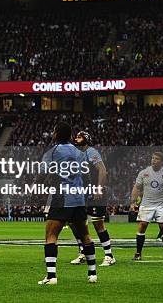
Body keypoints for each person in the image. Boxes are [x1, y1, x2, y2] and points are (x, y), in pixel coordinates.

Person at [38, 122, 97, 285]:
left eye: (54, 131)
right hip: (78, 199)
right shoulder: (79, 152)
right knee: (85, 235)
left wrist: (40, 186)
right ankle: (92, 273)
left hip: (61, 198)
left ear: (56, 134)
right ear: (70, 135)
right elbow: (87, 176)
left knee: (51, 236)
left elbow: (41, 175)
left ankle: (51, 276)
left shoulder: (52, 152)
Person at [69, 131, 115, 267]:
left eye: (79, 137)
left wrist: (98, 188)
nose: (76, 139)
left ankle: (109, 255)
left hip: (94, 192)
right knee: (74, 222)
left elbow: (102, 170)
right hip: (82, 193)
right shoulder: (77, 155)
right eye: (76, 137)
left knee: (97, 223)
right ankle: (83, 252)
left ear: (86, 139)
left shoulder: (91, 152)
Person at [129, 152, 163, 260]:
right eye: (152, 158)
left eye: (156, 159)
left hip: (162, 205)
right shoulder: (144, 172)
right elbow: (137, 187)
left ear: (162, 161)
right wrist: (132, 202)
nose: (153, 160)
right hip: (146, 204)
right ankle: (138, 253)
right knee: (142, 225)